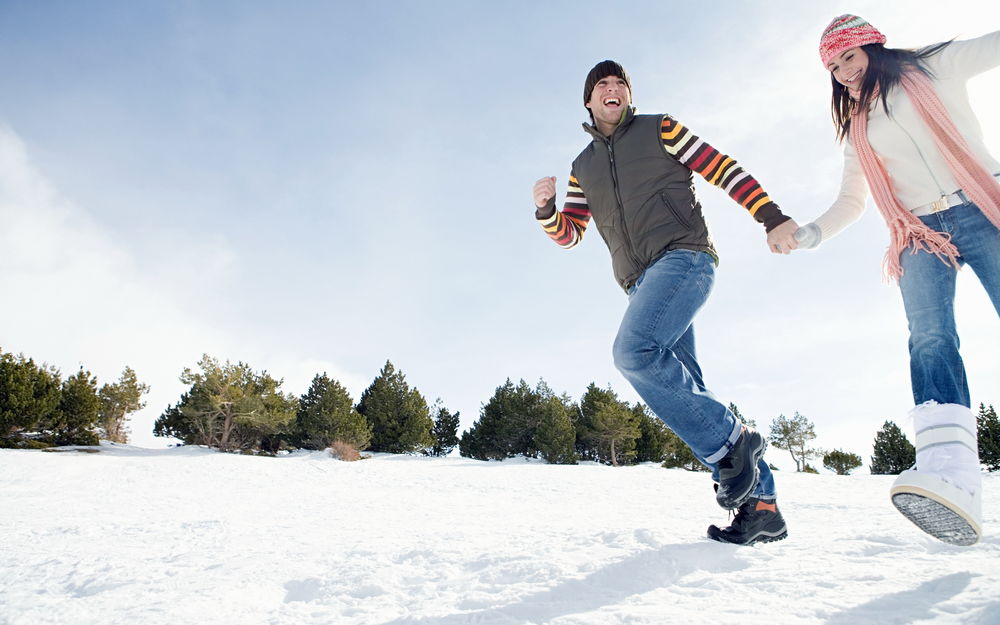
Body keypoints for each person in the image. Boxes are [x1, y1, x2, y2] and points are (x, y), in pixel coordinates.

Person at [533, 60, 800, 545]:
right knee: (687, 391)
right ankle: (762, 505)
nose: (612, 90)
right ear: (589, 102)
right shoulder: (581, 168)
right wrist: (547, 211)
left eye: (620, 84)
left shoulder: (661, 129)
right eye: (602, 85)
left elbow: (722, 168)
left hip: (684, 258)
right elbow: (570, 236)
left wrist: (771, 217)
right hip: (640, 282)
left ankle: (736, 444)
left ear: (628, 95)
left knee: (633, 353)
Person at [795, 15, 1000, 546]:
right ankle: (951, 473)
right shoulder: (856, 127)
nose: (842, 72)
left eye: (847, 57)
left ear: (870, 45)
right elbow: (852, 201)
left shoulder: (934, 66)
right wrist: (810, 234)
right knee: (929, 336)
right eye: (833, 67)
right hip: (918, 230)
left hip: (981, 206)